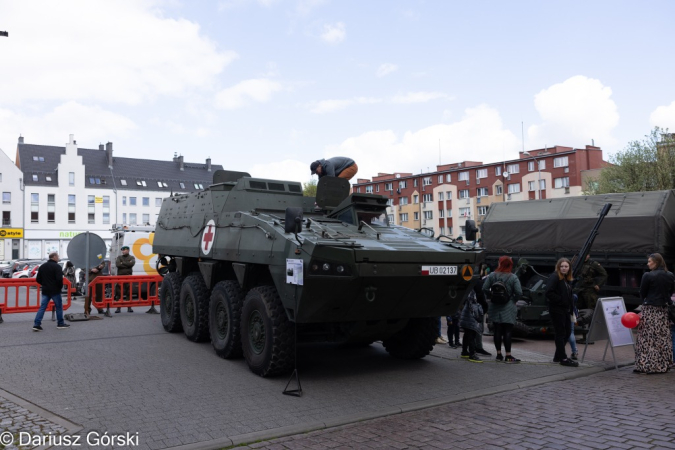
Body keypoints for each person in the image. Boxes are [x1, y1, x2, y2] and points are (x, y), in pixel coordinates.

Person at [634, 253, 674, 374]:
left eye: (650, 261)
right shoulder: (670, 275)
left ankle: (647, 365)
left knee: (647, 338)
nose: (648, 263)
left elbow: (643, 292)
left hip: (650, 310)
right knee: (662, 338)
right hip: (663, 310)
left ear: (656, 263)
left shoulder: (648, 275)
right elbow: (670, 291)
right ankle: (663, 364)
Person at [483, 256, 522, 363]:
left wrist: (492, 297)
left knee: (497, 330)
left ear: (500, 264)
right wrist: (513, 300)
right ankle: (508, 356)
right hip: (508, 306)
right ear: (510, 265)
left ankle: (498, 355)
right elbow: (519, 292)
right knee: (507, 331)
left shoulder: (492, 275)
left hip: (495, 306)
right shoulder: (513, 277)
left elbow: (485, 288)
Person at [545, 258, 578, 367]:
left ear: (569, 268)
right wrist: (561, 300)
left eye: (566, 266)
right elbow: (549, 292)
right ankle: (563, 358)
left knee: (567, 332)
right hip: (557, 309)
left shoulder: (565, 279)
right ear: (558, 267)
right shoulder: (555, 277)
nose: (564, 268)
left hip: (566, 309)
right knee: (561, 333)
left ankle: (558, 355)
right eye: (562, 266)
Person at [32, 252, 69, 331]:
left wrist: (44, 284)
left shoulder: (42, 266)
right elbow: (59, 279)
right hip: (55, 290)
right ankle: (60, 323)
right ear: (54, 257)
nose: (58, 258)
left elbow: (38, 279)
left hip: (45, 290)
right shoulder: (57, 267)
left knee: (42, 307)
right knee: (59, 307)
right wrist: (59, 287)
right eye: (58, 256)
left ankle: (36, 324)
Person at [459, 289, 484, 363]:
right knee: (471, 335)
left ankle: (464, 351)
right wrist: (477, 316)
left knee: (467, 333)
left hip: (466, 314)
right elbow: (472, 303)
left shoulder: (469, 289)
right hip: (471, 316)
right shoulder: (473, 290)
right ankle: (472, 354)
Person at [115, 246, 135, 313]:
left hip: (128, 277)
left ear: (128, 250)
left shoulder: (131, 257)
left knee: (129, 292)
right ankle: (118, 308)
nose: (124, 251)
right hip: (120, 277)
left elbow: (132, 263)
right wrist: (127, 263)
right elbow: (118, 265)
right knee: (119, 292)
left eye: (125, 250)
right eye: (123, 250)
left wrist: (122, 263)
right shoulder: (119, 257)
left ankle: (129, 307)